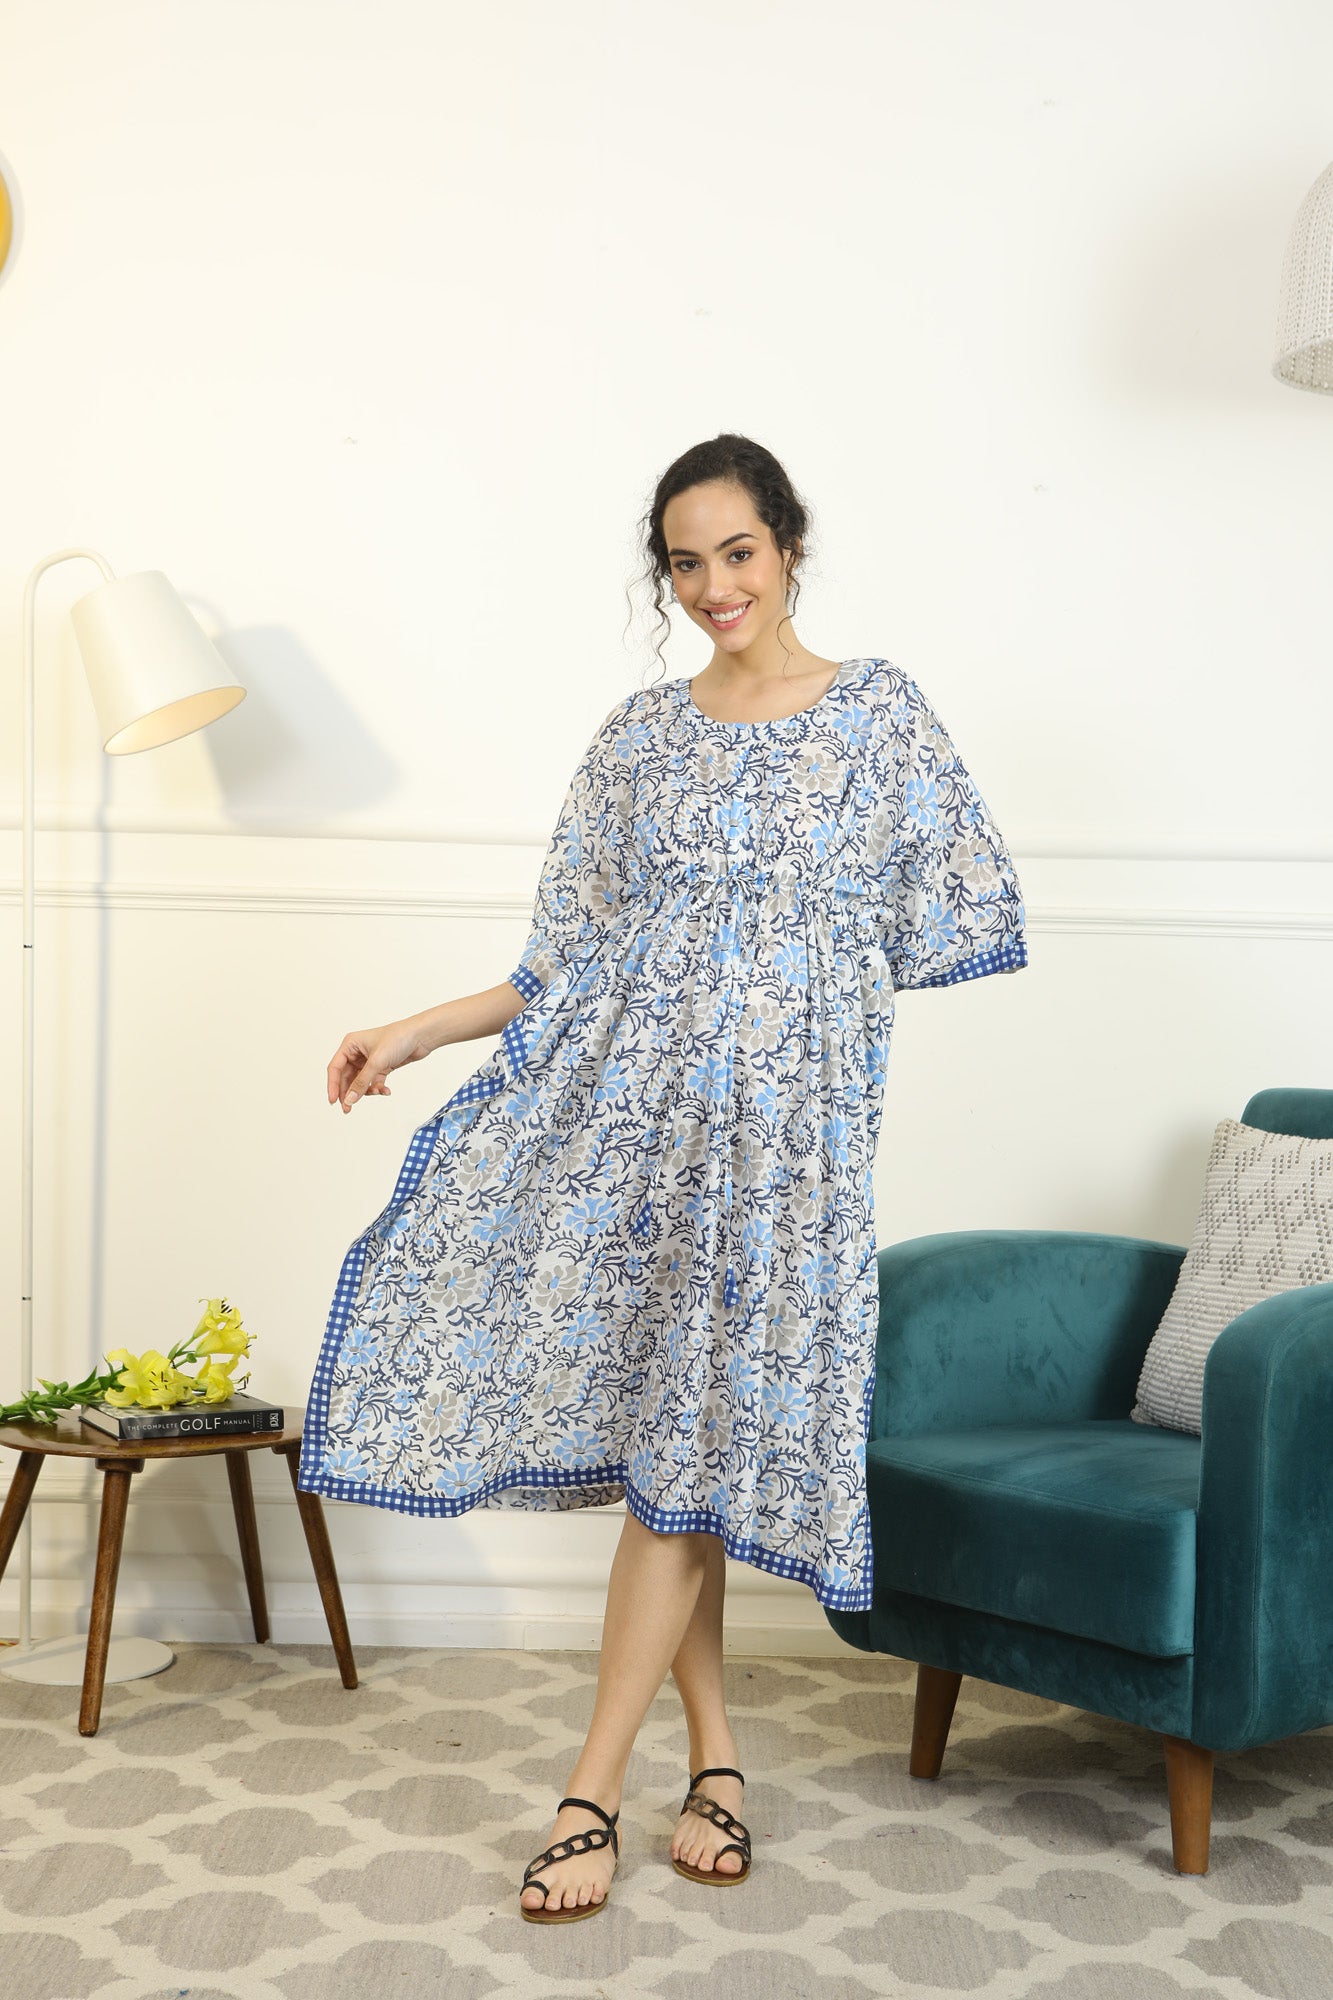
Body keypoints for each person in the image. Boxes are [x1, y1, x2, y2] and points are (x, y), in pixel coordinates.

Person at [296, 433, 1028, 1923]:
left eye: (736, 553)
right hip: (644, 1153)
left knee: (686, 1464)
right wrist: (418, 1031)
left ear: (788, 546)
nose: (713, 587)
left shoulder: (880, 719)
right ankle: (708, 1766)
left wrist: (797, 1015)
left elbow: (951, 917)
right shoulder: (639, 739)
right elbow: (563, 962)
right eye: (685, 564)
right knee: (672, 1462)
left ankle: (592, 1789)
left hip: (791, 1171)